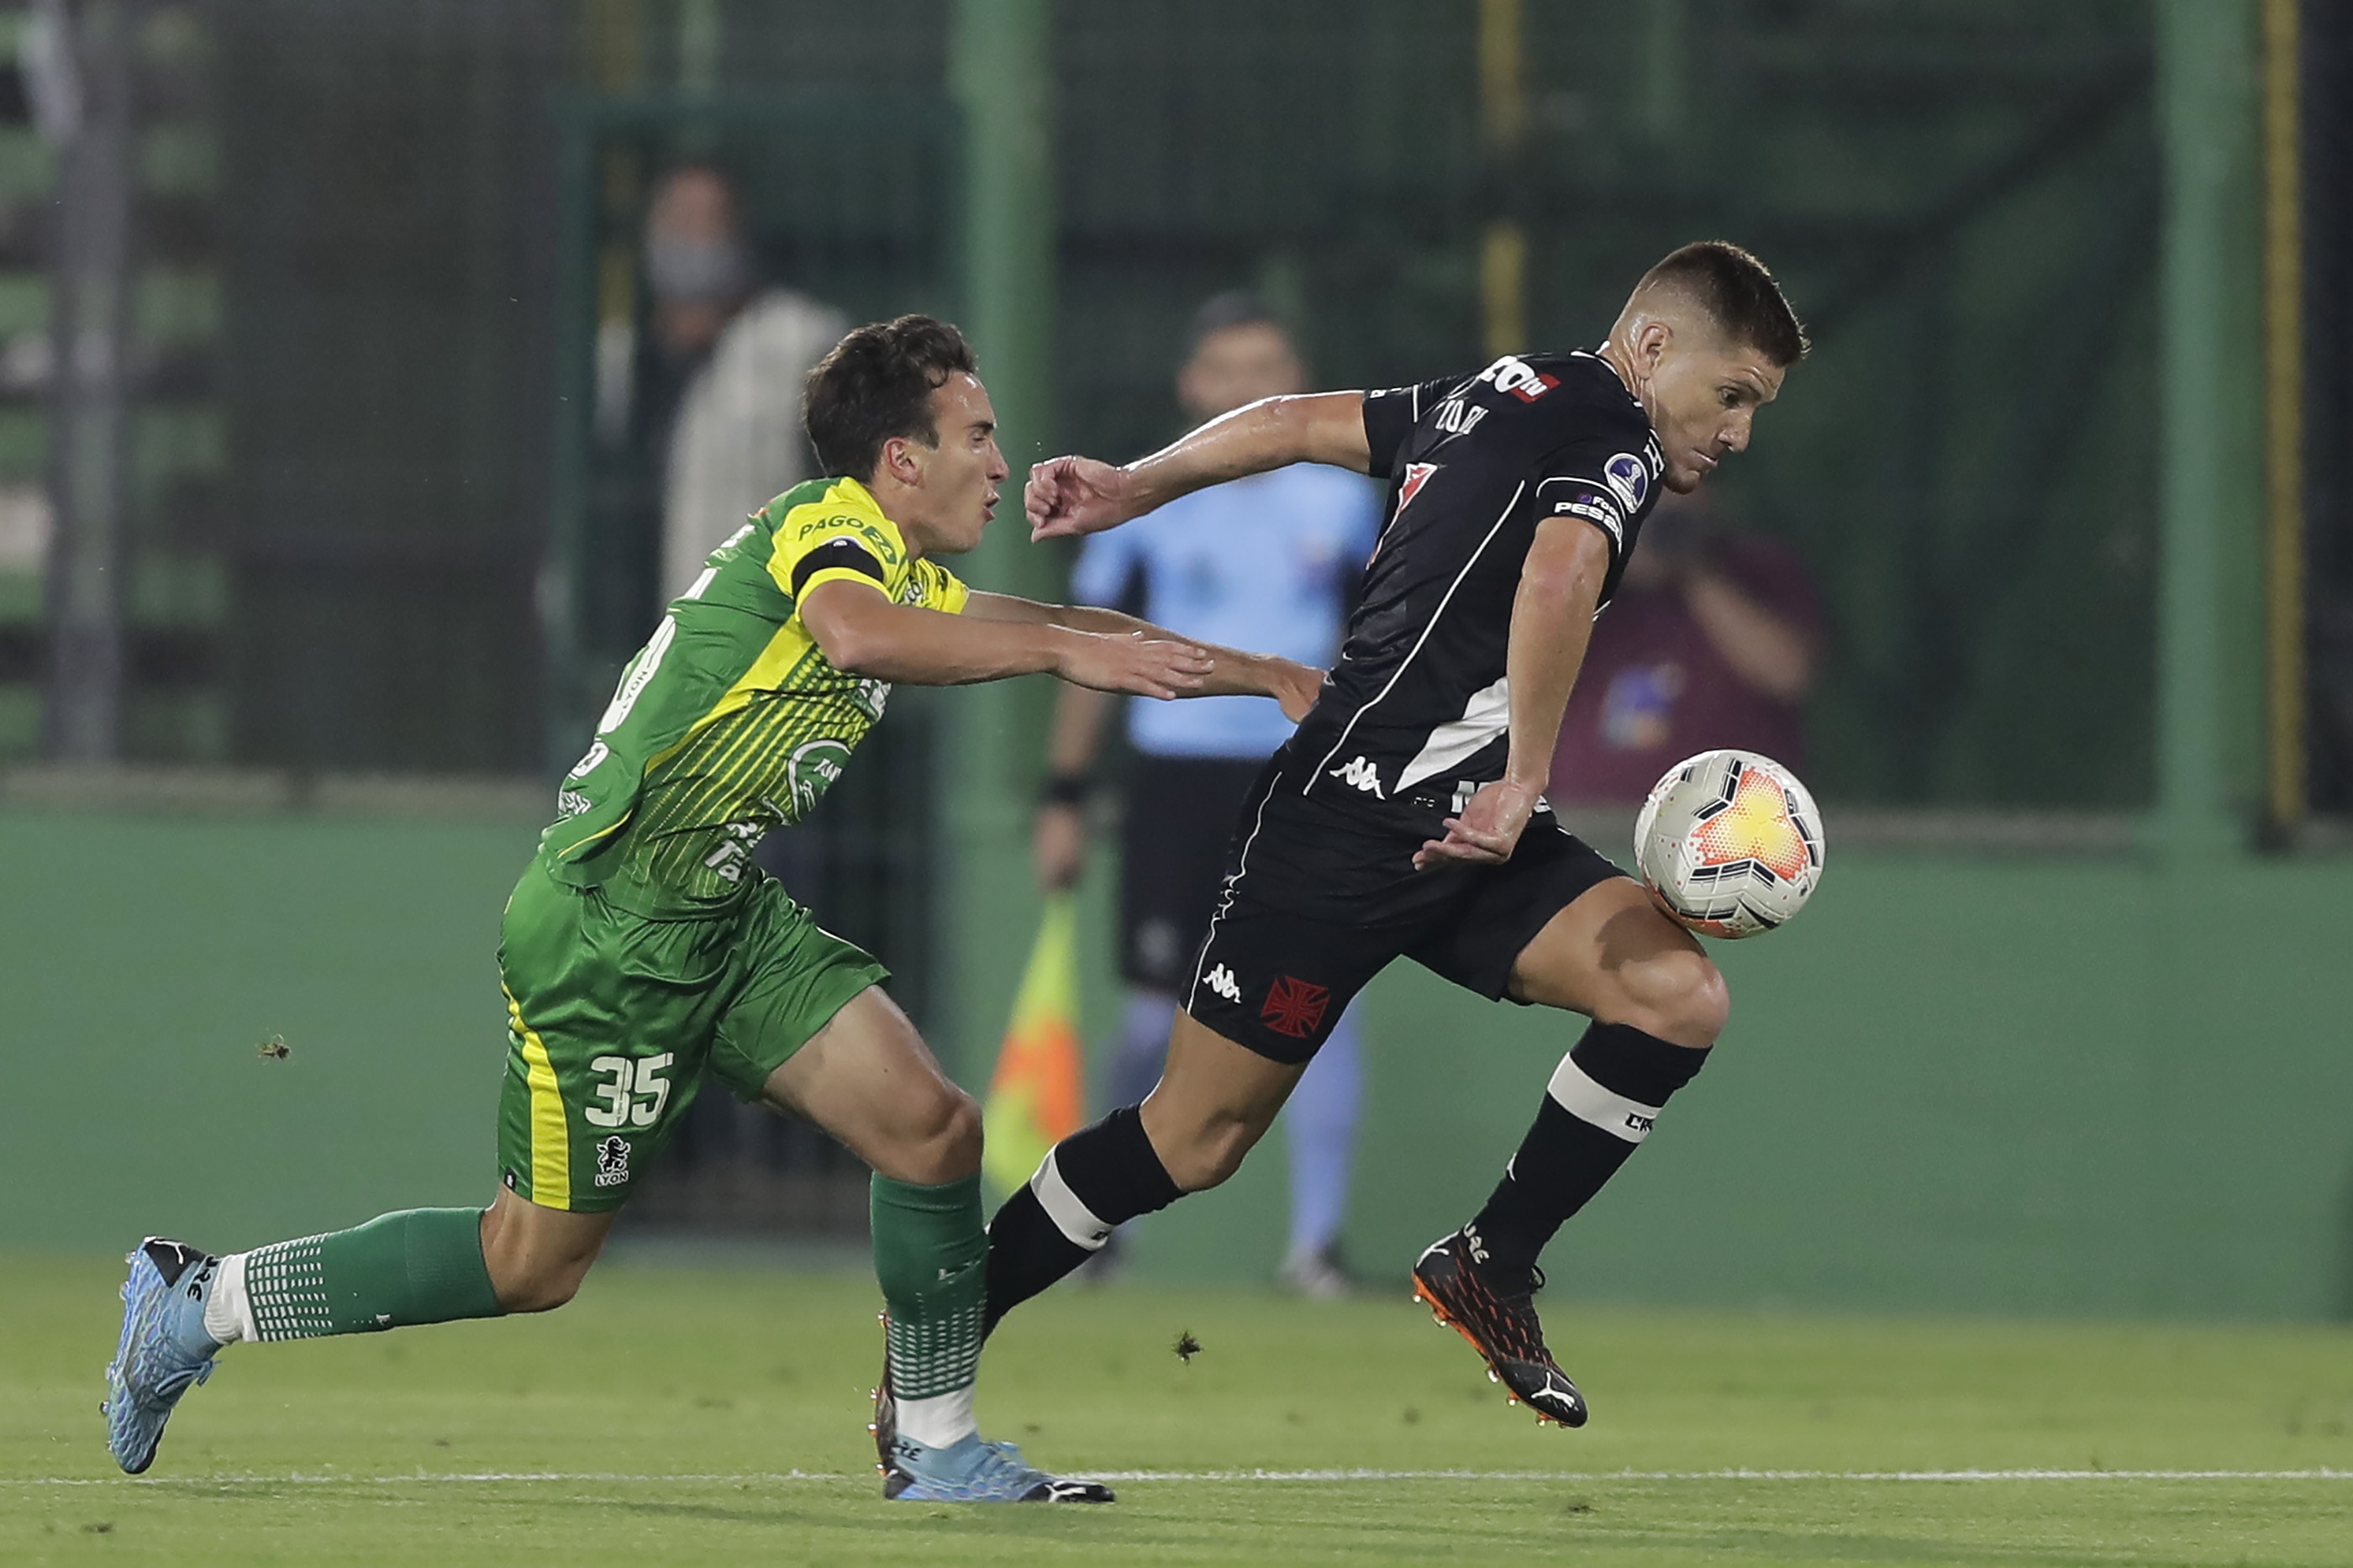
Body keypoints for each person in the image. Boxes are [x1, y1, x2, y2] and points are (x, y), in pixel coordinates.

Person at [101, 315, 1318, 1502]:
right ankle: (201, 1301)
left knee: (933, 1131)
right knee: (530, 1263)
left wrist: (1261, 673)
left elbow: (1065, 625)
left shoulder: (902, 567)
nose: (1002, 465)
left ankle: (936, 1446)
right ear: (902, 459)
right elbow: (855, 636)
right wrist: (1060, 655)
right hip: (609, 924)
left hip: (722, 914)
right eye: (978, 436)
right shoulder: (827, 526)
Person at [982, 243, 1807, 1429]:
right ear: (1654, 345)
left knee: (1675, 996)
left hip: (1459, 833)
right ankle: (945, 1321)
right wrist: (1526, 777)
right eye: (1732, 395)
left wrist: (1136, 485)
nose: (1736, 432)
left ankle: (1490, 1261)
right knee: (1191, 1142)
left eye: (1754, 409)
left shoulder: (1500, 392)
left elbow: (1289, 422)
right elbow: (1558, 577)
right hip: (1343, 826)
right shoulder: (1615, 436)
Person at [1034, 293, 1382, 1296]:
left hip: (1298, 776)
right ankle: (1098, 1222)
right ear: (1193, 385)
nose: (1247, 388)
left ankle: (1315, 1246)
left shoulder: (1342, 502)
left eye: (1266, 368)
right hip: (1175, 783)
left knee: (1319, 1002)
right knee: (1154, 1016)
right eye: (1227, 370)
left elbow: (1375, 646)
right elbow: (1088, 648)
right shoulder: (1142, 497)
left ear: (1296, 380)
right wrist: (1063, 794)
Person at [639, 164, 850, 602]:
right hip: (668, 622)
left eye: (710, 221)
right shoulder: (631, 361)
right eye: (680, 220)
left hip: (772, 617)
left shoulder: (801, 338)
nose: (693, 239)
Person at [1547, 490, 1823, 803]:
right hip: (1592, 816)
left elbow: (1787, 673)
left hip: (1726, 814)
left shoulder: (1752, 566)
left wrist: (1693, 569)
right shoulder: (1590, 585)